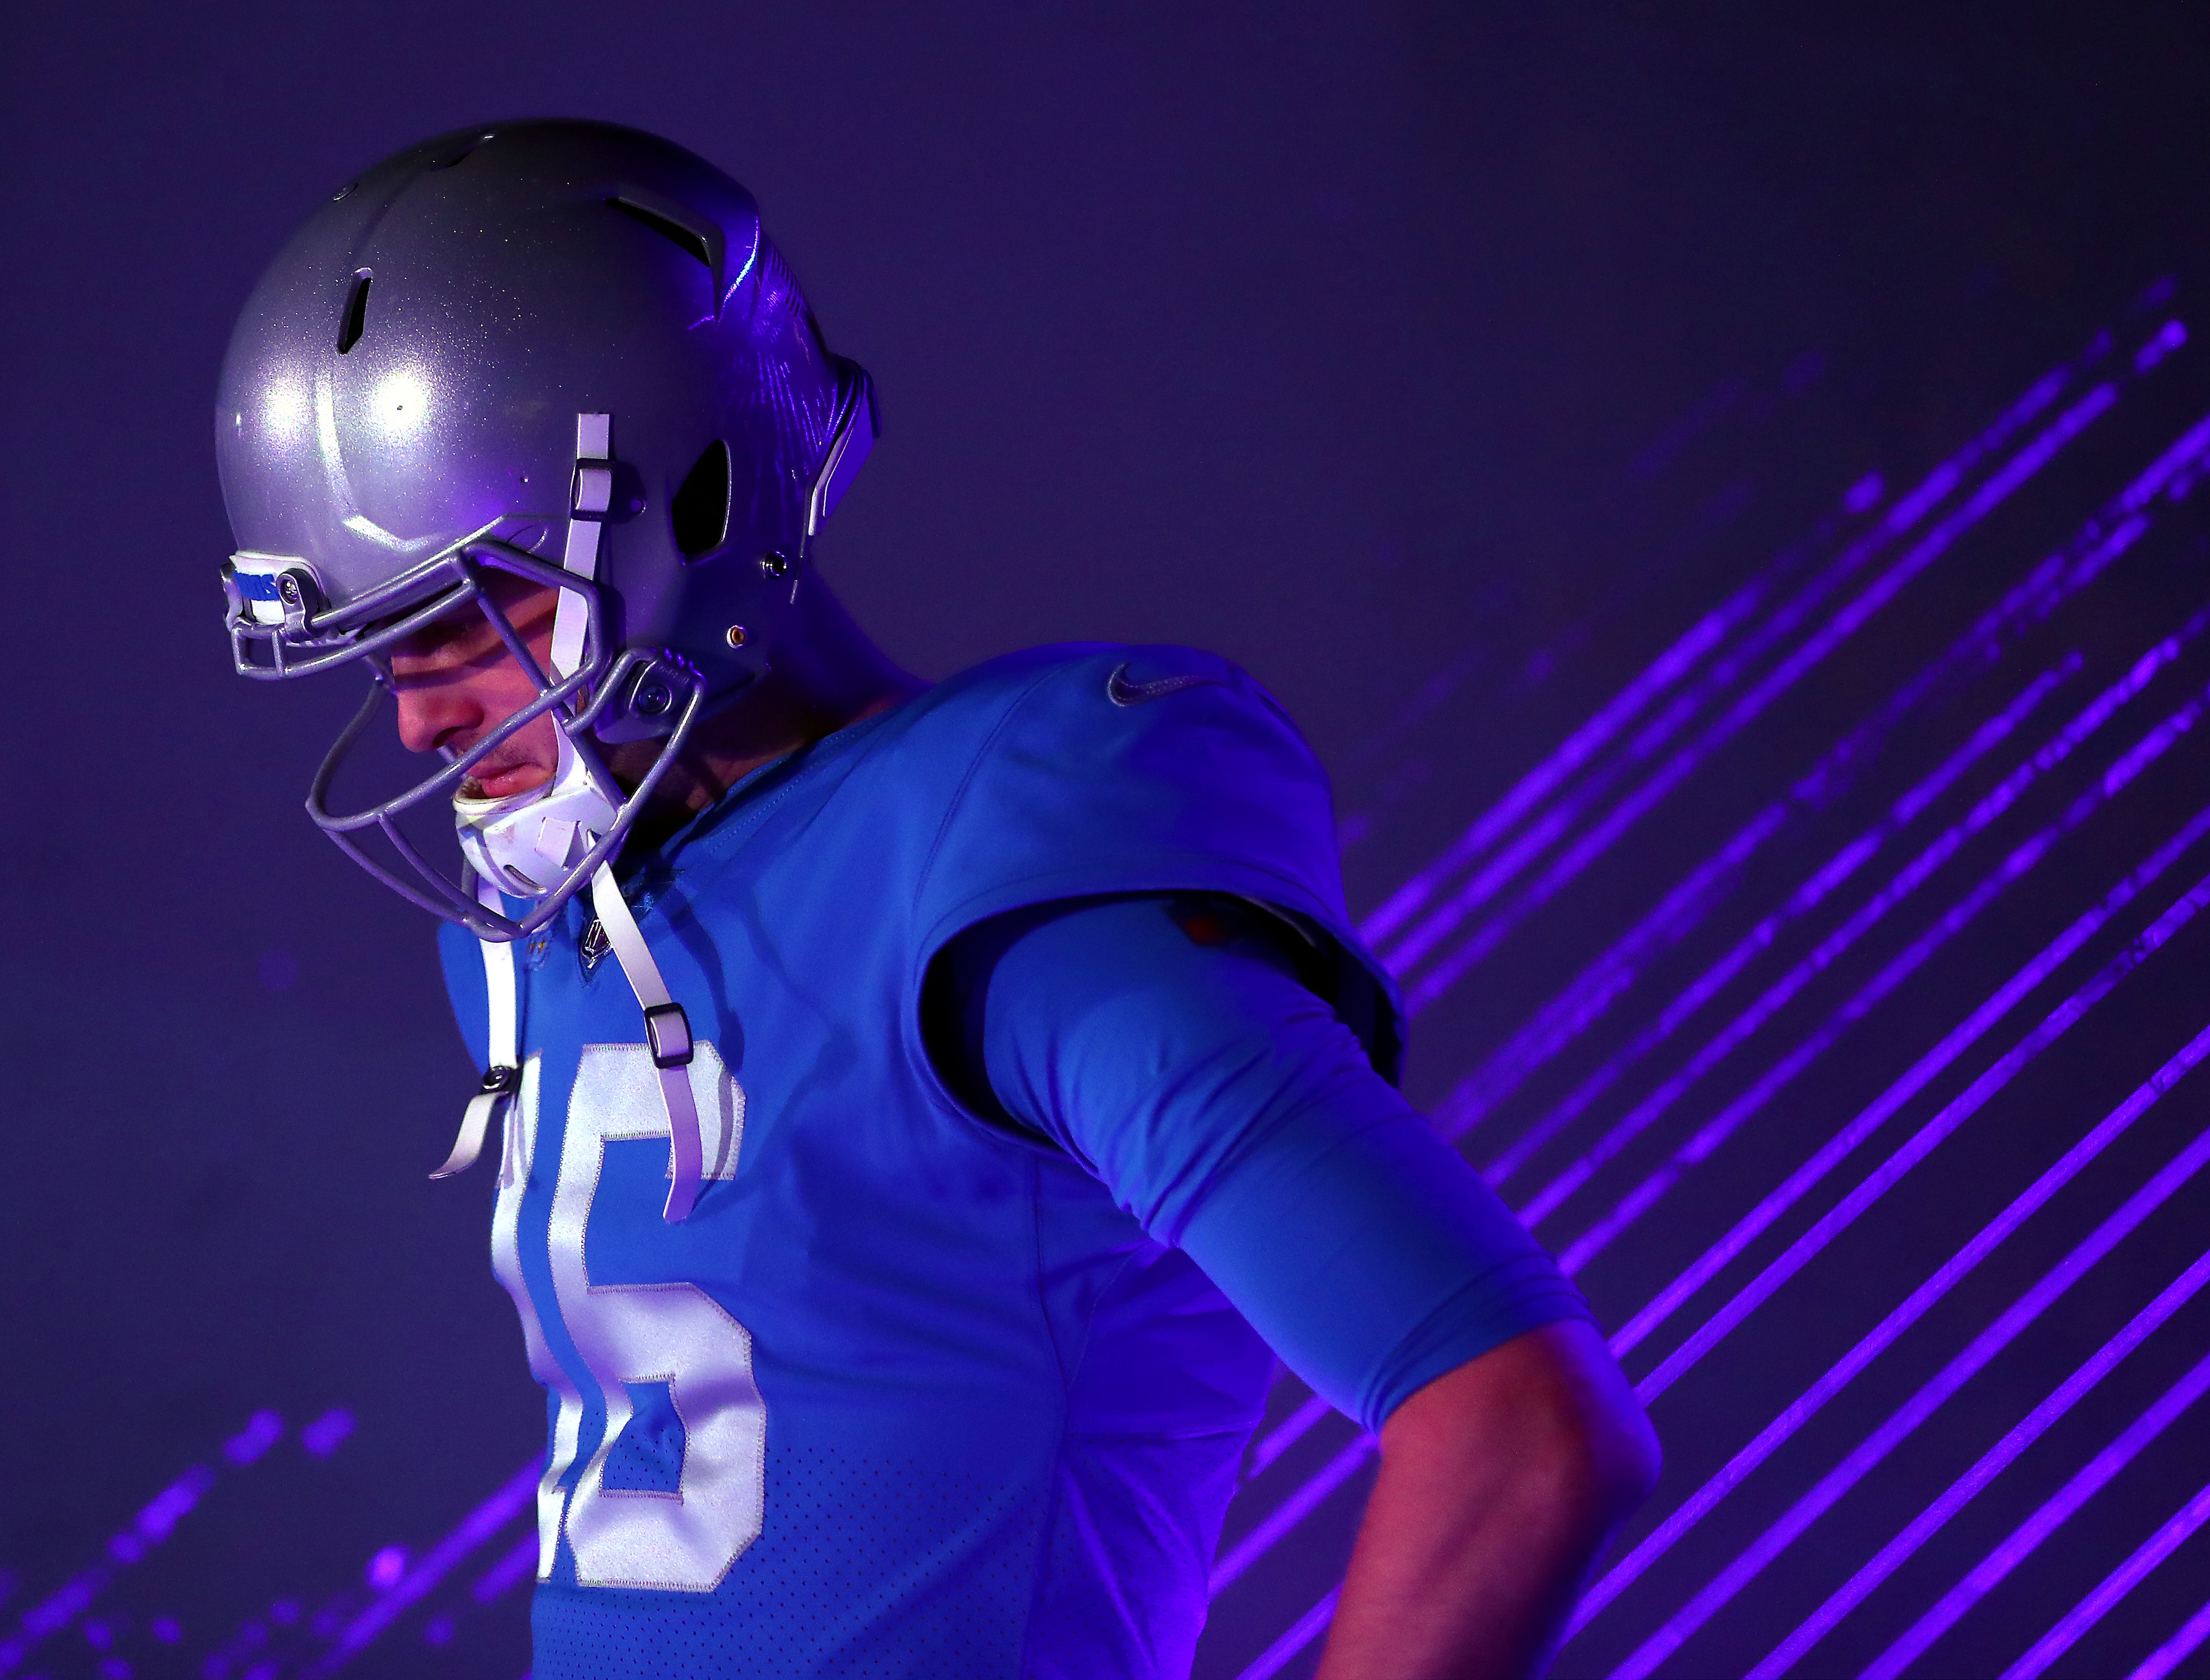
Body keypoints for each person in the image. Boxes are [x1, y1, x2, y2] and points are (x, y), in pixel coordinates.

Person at [213, 118, 1656, 1678]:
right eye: (379, 651)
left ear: (682, 508)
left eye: (457, 628)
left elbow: (1516, 1427)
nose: (422, 723)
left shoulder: (1002, 879)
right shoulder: (580, 930)